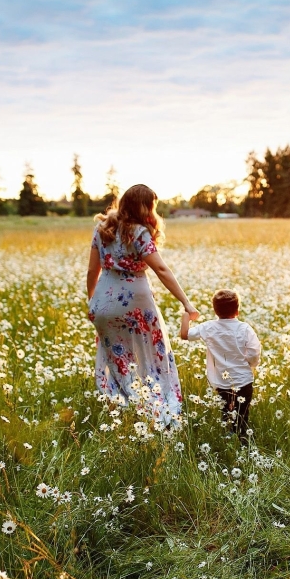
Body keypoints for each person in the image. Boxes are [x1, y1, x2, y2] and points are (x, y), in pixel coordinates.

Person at [86, 184, 200, 429]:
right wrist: (186, 302)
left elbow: (92, 270)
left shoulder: (102, 229)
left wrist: (92, 301)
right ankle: (154, 410)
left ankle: (122, 410)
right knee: (151, 355)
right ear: (145, 206)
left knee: (116, 357)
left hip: (103, 304)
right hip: (135, 304)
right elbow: (160, 269)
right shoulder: (139, 233)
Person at [180, 289, 261, 445]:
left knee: (226, 409)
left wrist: (186, 315)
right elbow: (254, 351)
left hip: (221, 381)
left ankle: (228, 435)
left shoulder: (209, 327)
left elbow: (185, 334)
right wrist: (252, 364)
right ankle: (242, 438)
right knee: (242, 412)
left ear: (215, 310)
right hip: (243, 379)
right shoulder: (245, 328)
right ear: (237, 311)